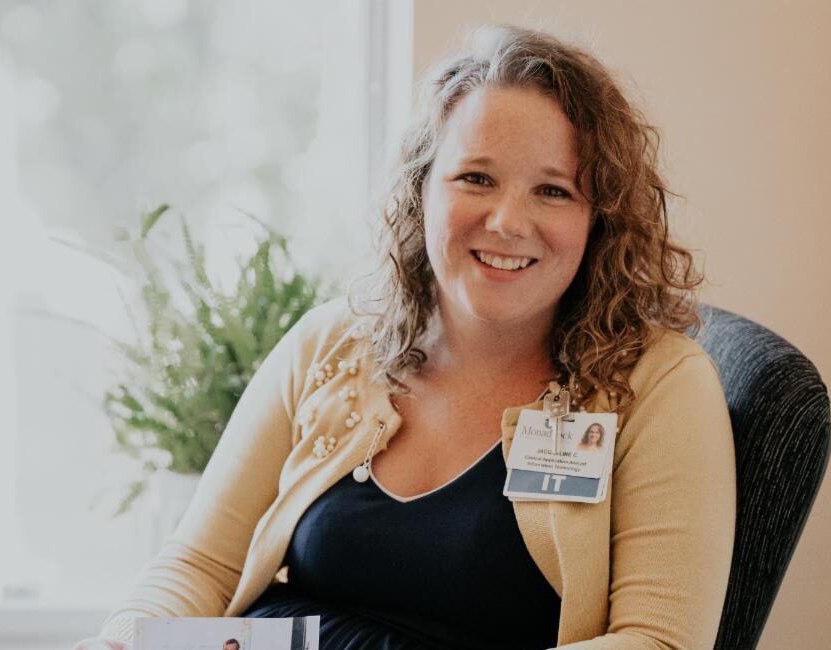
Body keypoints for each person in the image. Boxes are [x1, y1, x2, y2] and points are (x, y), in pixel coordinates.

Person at [74, 24, 735, 650]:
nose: (507, 220)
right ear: (421, 189)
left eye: (553, 191)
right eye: (476, 178)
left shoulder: (659, 385)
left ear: (602, 217)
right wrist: (121, 636)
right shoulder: (329, 343)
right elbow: (198, 564)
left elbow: (659, 639)